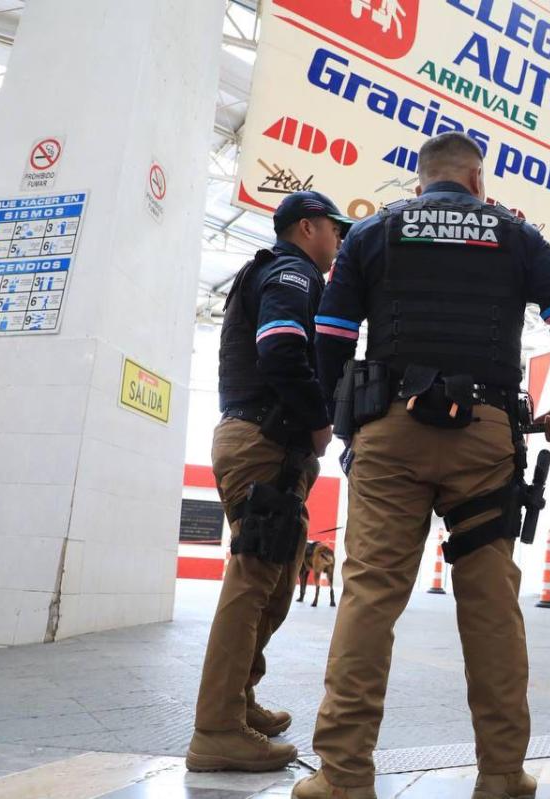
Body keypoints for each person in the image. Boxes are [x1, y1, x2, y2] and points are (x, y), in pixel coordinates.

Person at [292, 132, 550, 799]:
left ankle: (343, 777)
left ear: (420, 180)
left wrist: (350, 424)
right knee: (489, 603)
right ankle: (499, 775)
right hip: (486, 438)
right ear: (478, 181)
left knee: (370, 596)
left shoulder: (374, 230)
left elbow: (333, 338)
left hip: (389, 431)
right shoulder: (517, 236)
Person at [186, 191, 352, 772]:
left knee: (277, 584)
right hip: (266, 441)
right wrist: (318, 424)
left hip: (262, 441)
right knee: (254, 579)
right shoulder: (292, 272)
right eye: (335, 228)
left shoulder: (277, 271)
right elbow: (283, 349)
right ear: (308, 227)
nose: (339, 239)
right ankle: (216, 728)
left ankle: (239, 699)